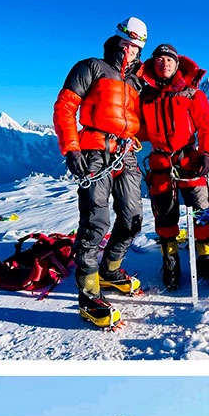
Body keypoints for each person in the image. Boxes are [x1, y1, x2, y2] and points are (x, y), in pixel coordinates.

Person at [53, 18, 151, 328]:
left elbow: (153, 116)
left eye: (137, 48)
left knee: (132, 219)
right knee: (95, 222)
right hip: (95, 150)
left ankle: (109, 271)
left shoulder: (138, 82)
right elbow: (66, 106)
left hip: (127, 153)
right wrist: (71, 148)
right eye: (129, 45)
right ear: (118, 41)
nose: (131, 52)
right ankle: (89, 295)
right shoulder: (91, 67)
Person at [135, 43, 209, 291]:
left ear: (177, 65)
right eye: (160, 60)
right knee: (164, 213)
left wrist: (206, 153)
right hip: (160, 162)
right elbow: (139, 127)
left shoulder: (191, 94)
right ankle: (170, 260)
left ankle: (206, 258)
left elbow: (206, 124)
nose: (164, 63)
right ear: (153, 65)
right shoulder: (146, 97)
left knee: (201, 210)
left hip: (189, 160)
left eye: (169, 60)